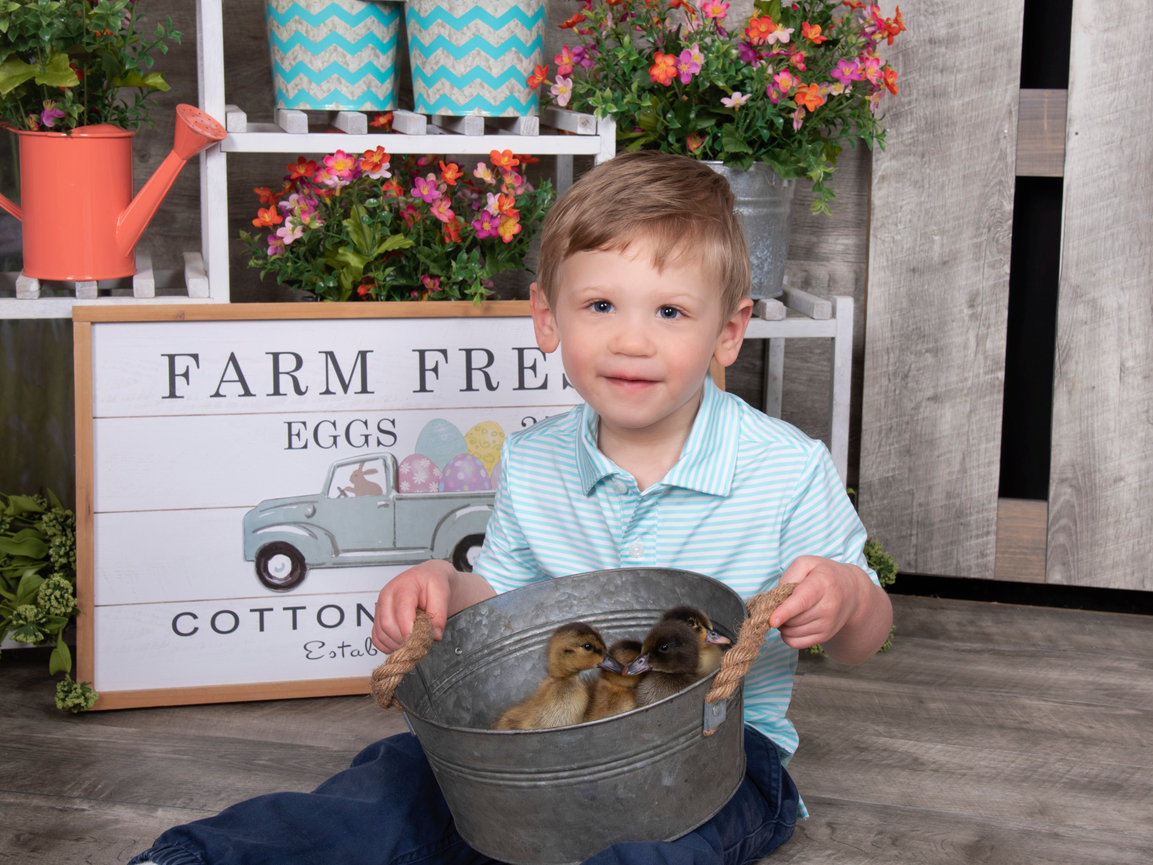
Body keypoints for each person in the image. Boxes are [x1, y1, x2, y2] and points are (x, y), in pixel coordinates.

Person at [130, 151, 893, 865]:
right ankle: (203, 857)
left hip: (714, 749)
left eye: (669, 311)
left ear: (727, 332)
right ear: (546, 317)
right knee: (397, 781)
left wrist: (847, 599)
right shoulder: (535, 461)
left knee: (660, 842)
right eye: (600, 304)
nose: (631, 340)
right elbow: (504, 605)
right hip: (557, 736)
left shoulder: (784, 466)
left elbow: (864, 640)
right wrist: (443, 585)